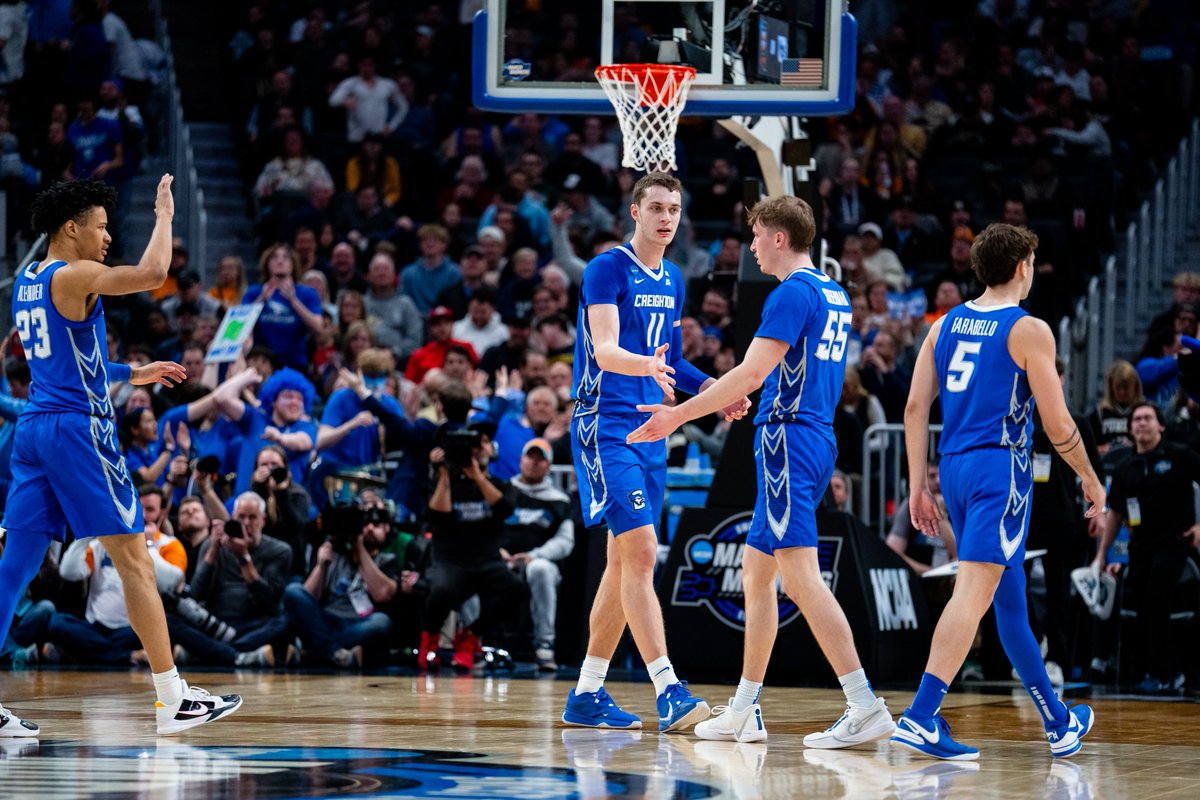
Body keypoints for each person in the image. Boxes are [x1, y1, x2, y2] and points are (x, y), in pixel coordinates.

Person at [628, 195, 894, 747]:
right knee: (756, 573)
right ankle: (746, 707)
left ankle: (864, 704)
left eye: (755, 235)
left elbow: (751, 372)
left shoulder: (791, 293)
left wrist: (676, 415)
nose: (750, 246)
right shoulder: (832, 290)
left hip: (789, 437)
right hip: (813, 434)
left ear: (778, 236)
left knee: (799, 578)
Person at [0, 175, 240, 736]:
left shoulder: (29, 281)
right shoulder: (75, 274)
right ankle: (172, 697)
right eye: (103, 227)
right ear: (72, 227)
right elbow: (156, 274)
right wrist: (163, 217)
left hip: (36, 429)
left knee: (14, 568)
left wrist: (133, 372)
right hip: (78, 433)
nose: (108, 238)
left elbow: (66, 370)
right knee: (133, 556)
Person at [892, 222, 1105, 760]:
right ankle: (921, 715)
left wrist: (919, 485)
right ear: (1021, 268)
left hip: (955, 470)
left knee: (1009, 603)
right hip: (1000, 471)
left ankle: (1058, 722)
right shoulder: (1029, 329)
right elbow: (1057, 425)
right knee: (974, 592)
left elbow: (915, 408)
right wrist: (1089, 474)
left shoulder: (944, 327)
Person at [562, 172, 748, 733]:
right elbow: (607, 348)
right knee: (642, 554)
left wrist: (717, 393)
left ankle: (587, 696)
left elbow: (668, 361)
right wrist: (645, 365)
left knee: (625, 563)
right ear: (635, 212)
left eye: (675, 208)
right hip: (605, 423)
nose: (668, 217)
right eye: (658, 208)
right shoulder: (606, 267)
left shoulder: (671, 277)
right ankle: (669, 689)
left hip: (652, 428)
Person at [1094, 402, 1200, 694]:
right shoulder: (1127, 466)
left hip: (1176, 544)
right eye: (1136, 419)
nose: (1141, 423)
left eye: (1147, 418)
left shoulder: (1180, 456)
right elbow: (1115, 514)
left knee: (1157, 600)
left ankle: (1169, 673)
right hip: (1140, 548)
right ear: (1130, 429)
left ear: (1161, 425)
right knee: (1140, 607)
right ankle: (1147, 672)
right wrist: (1102, 555)